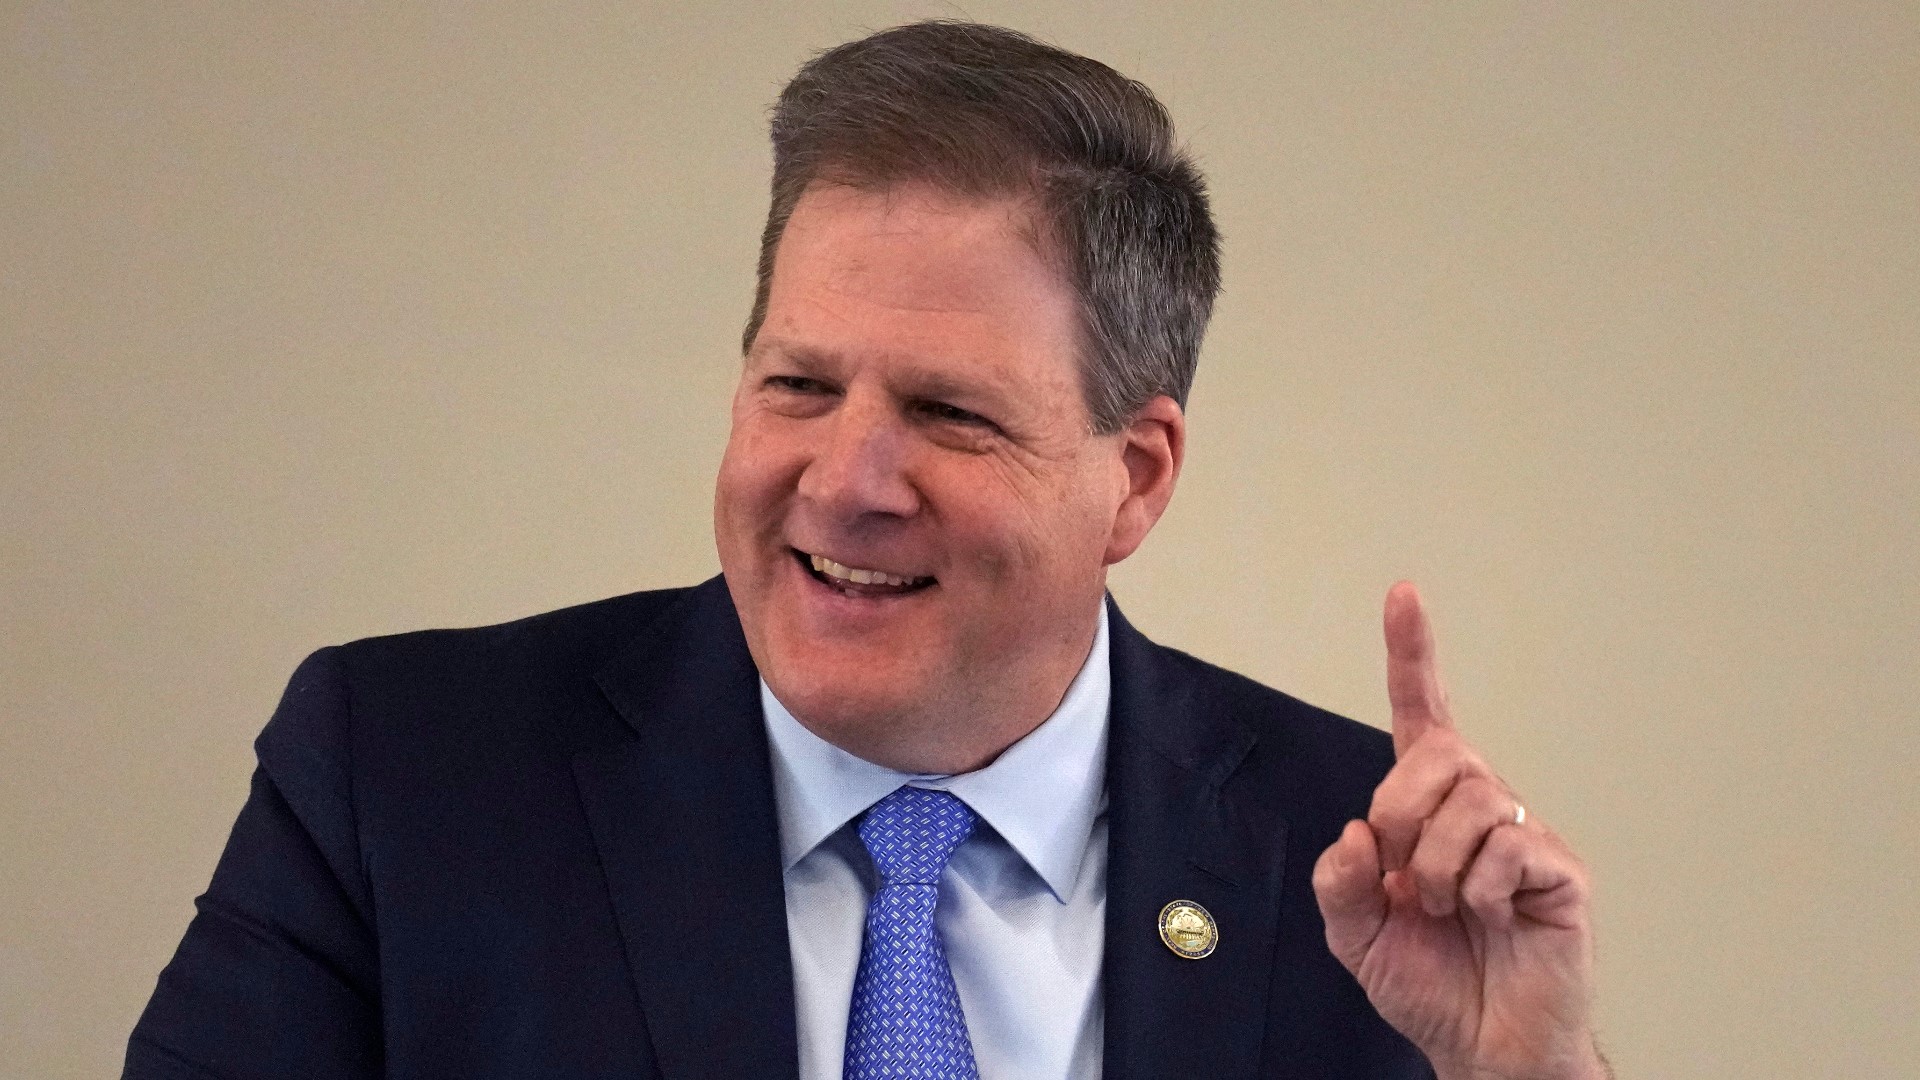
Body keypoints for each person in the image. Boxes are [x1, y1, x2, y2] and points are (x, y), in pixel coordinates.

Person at [126, 20, 1608, 1080]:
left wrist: (1528, 1078)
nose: (844, 481)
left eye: (948, 413)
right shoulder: (404, 775)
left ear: (1136, 477)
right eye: (798, 385)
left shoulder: (1358, 861)